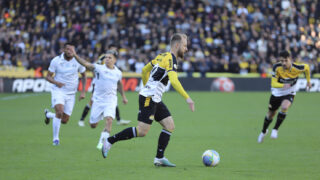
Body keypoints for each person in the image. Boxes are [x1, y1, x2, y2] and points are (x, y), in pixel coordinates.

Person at [101, 33, 195, 167]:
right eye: (185, 46)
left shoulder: (162, 56)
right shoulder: (171, 60)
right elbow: (173, 80)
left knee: (169, 126)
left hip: (153, 98)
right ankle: (109, 141)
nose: (186, 49)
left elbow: (145, 70)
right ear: (177, 45)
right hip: (149, 98)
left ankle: (159, 158)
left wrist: (147, 86)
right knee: (142, 131)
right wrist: (188, 98)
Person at [70, 47, 129, 150]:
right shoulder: (99, 68)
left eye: (109, 57)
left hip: (111, 100)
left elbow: (119, 84)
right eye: (106, 57)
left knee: (109, 120)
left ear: (115, 60)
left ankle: (102, 143)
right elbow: (85, 64)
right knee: (93, 125)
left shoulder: (118, 72)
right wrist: (75, 55)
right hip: (98, 101)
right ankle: (97, 119)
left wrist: (123, 97)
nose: (107, 59)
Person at [257, 50, 311, 143]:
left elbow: (307, 68)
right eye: (282, 61)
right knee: (270, 114)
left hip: (289, 92)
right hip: (277, 93)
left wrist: (308, 81)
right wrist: (283, 85)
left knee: (285, 107)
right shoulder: (276, 67)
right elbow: (273, 83)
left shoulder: (297, 67)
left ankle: (275, 129)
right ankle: (263, 131)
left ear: (290, 59)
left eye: (286, 60)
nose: (284, 63)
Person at [44, 43, 86, 146]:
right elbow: (48, 76)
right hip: (58, 91)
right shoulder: (56, 60)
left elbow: (84, 76)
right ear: (64, 50)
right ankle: (55, 139)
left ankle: (49, 115)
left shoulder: (78, 61)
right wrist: (56, 83)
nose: (69, 51)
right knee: (59, 111)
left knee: (64, 120)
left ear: (74, 51)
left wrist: (83, 91)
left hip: (71, 93)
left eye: (72, 49)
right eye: (67, 49)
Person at [78, 45, 131, 127]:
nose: (115, 50)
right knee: (92, 101)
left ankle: (117, 119)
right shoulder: (103, 58)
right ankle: (82, 119)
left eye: (115, 49)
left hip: (110, 81)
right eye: (113, 49)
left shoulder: (115, 66)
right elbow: (94, 69)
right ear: (109, 49)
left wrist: (123, 96)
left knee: (112, 101)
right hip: (98, 83)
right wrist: (97, 77)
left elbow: (119, 82)